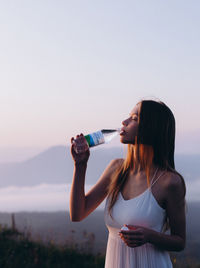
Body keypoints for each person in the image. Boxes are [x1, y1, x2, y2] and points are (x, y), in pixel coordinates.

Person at [70, 99, 186, 268]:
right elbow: (77, 214)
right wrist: (80, 166)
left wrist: (149, 236)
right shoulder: (116, 169)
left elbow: (180, 242)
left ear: (151, 128)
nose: (124, 122)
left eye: (134, 118)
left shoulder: (169, 182)